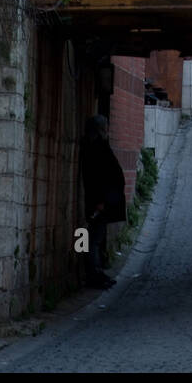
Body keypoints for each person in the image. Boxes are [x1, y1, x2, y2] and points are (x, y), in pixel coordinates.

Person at [79, 115, 127, 289]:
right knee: (91, 238)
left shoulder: (94, 145)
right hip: (96, 201)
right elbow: (95, 176)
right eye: (106, 126)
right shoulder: (95, 147)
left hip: (95, 200)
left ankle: (90, 272)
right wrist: (100, 200)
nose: (108, 129)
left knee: (89, 236)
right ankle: (91, 273)